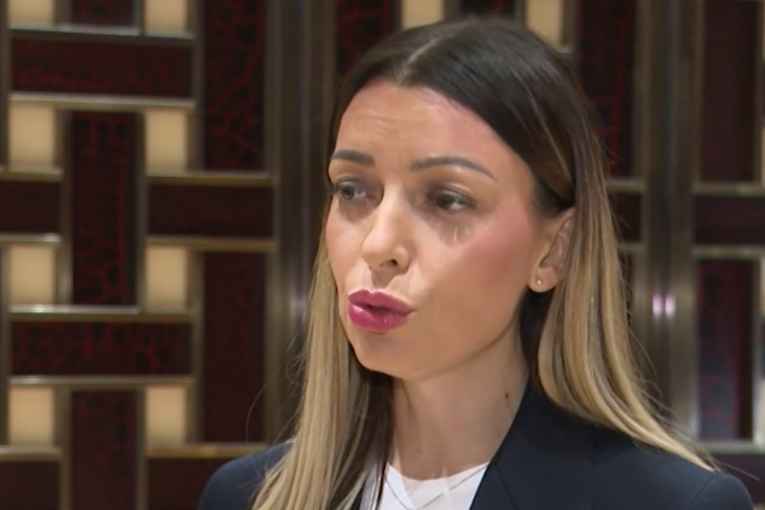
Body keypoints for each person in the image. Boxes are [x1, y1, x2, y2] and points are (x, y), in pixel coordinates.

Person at [198, 17, 752, 510]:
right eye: (352, 190)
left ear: (554, 249)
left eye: (447, 199)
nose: (378, 244)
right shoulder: (246, 497)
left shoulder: (671, 504)